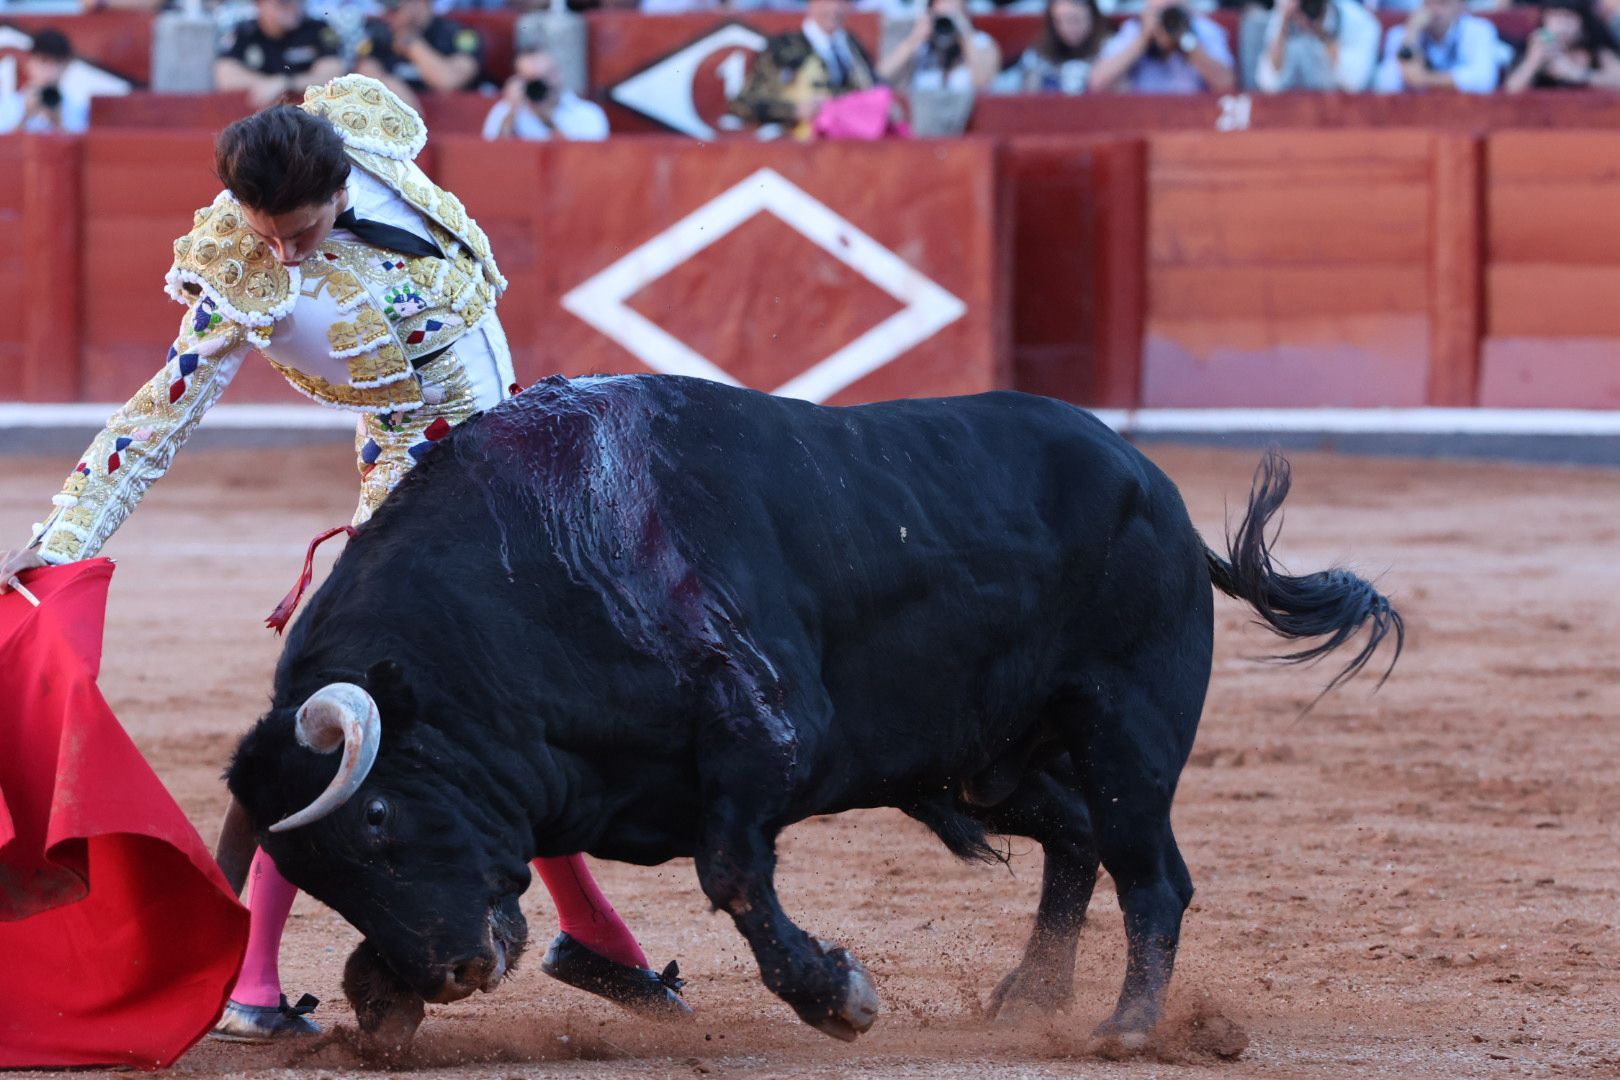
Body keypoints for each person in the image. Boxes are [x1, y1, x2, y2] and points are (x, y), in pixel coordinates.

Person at [0, 75, 687, 1042]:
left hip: (520, 482)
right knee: (337, 731)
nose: (282, 250)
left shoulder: (364, 129)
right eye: (265, 229)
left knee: (513, 717)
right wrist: (64, 539)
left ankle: (591, 933)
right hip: (417, 507)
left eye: (304, 228)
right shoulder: (241, 273)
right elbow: (158, 416)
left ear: (344, 179)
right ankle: (251, 980)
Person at [729, 0, 879, 134]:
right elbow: (744, 103)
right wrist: (793, 110)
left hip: (851, 143)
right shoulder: (784, 48)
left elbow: (872, 87)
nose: (835, 8)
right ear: (811, 3)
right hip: (795, 144)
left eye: (842, 1)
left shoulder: (852, 46)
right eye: (827, 1)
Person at [215, 0, 346, 110]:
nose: (292, 7)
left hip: (311, 116)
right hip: (257, 118)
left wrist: (286, 82)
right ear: (260, 5)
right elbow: (226, 76)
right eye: (282, 3)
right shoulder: (245, 33)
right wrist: (266, 85)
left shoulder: (319, 29)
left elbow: (334, 75)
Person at [356, 0, 486, 110]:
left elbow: (448, 81)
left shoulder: (456, 35)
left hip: (453, 123)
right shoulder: (381, 36)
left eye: (394, 8)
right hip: (393, 126)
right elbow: (366, 79)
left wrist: (411, 44)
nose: (386, 16)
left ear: (421, 3)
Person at [1089, 0, 1236, 93]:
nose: (1166, 21)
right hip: (1140, 116)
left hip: (1192, 119)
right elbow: (1097, 83)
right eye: (1160, 13)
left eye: (1171, 13)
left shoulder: (1204, 29)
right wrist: (1143, 40)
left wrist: (1185, 41)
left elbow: (1227, 85)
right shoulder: (1134, 30)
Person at [483, 47, 609, 141]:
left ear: (559, 74)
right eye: (533, 80)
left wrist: (546, 120)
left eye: (547, 75)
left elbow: (583, 163)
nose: (542, 85)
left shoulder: (588, 114)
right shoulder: (504, 111)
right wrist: (511, 114)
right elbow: (495, 158)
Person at [1373, 0, 1502, 93]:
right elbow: (1388, 83)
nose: (1434, 11)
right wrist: (1412, 32)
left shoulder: (1479, 30)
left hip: (1465, 114)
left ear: (1460, 6)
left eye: (1442, 4)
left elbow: (1484, 79)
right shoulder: (1401, 34)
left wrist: (1424, 79)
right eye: (1428, 4)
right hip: (1414, 118)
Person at [1252, 0, 1381, 92]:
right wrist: (1284, 23)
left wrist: (1323, 34)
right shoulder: (1287, 15)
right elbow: (1267, 83)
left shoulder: (1360, 22)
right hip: (1294, 114)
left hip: (1345, 116)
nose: (1304, 22)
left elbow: (1354, 84)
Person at [877, 0, 1003, 94]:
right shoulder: (920, 45)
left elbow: (984, 84)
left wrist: (964, 35)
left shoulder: (980, 42)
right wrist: (914, 40)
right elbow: (881, 77)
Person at [1504, 0, 1620, 92]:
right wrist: (1534, 60)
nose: (1562, 25)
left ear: (1582, 22)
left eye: (1568, 17)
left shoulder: (1596, 49)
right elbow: (1511, 91)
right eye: (1556, 16)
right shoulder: (1533, 48)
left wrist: (1580, 75)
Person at [997, 0, 1110, 94]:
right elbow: (1029, 99)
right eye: (1059, 21)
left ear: (1092, 18)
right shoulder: (1037, 55)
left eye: (1075, 20)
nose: (1067, 28)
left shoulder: (1112, 49)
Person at [0, 29, 90, 135]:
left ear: (66, 66)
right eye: (43, 61)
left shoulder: (76, 109)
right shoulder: (9, 105)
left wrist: (58, 122)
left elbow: (80, 146)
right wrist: (25, 117)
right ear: (30, 64)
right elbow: (5, 147)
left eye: (56, 62)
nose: (49, 70)